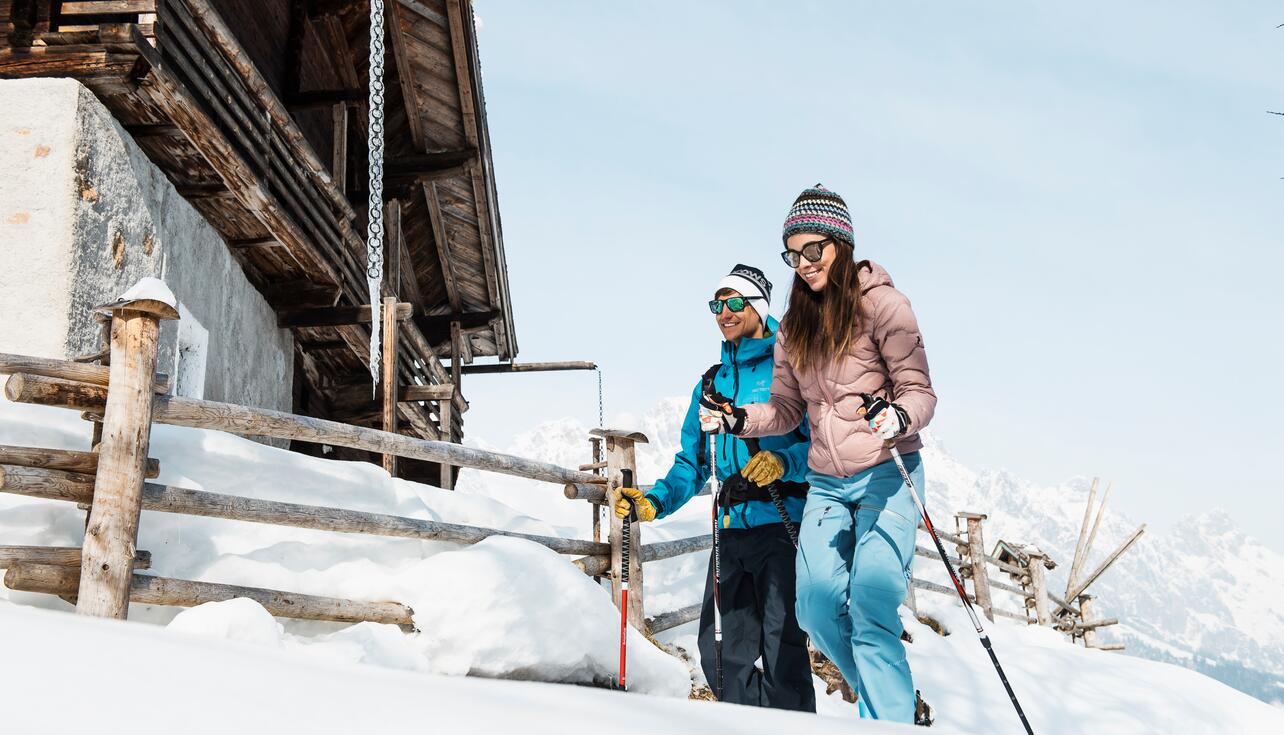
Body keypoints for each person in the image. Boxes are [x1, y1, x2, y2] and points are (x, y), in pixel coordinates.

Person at [701, 185, 937, 723]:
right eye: (794, 253)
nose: (804, 263)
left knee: (872, 605)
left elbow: (919, 390)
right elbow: (785, 409)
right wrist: (738, 420)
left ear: (842, 244)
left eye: (815, 250)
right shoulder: (795, 328)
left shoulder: (885, 306)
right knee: (815, 609)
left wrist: (897, 416)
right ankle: (892, 696)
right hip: (828, 483)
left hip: (887, 475)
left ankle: (889, 719)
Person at [612, 264, 816, 712]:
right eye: (716, 305)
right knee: (721, 654)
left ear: (759, 306)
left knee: (783, 649)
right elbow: (694, 461)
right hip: (731, 529)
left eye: (734, 302)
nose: (723, 312)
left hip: (783, 524)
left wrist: (784, 462)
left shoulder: (793, 365)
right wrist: (653, 501)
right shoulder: (710, 382)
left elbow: (820, 444)